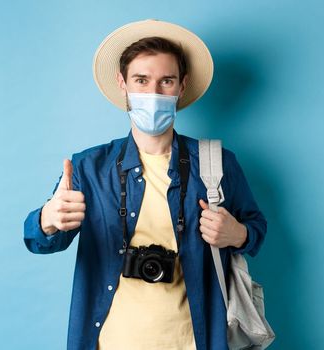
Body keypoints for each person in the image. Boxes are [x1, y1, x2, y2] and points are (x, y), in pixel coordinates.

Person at [22, 19, 267, 350]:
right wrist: (46, 221)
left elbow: (255, 229)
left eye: (166, 81)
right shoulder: (88, 167)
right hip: (108, 342)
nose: (153, 93)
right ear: (122, 84)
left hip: (196, 341)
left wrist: (237, 234)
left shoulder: (216, 163)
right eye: (141, 80)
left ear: (182, 86)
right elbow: (41, 241)